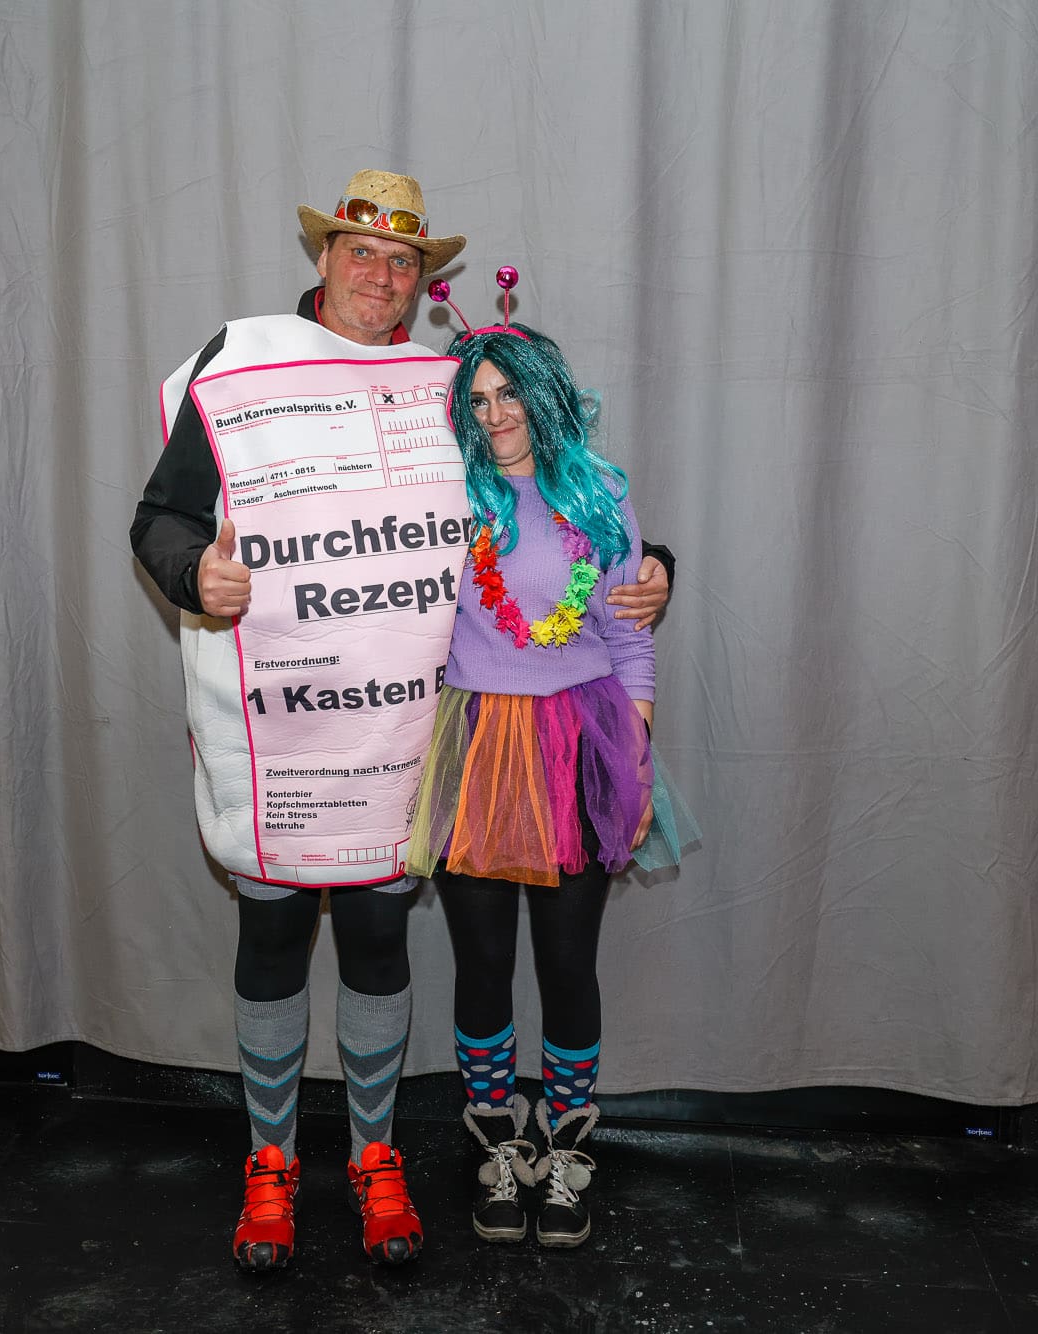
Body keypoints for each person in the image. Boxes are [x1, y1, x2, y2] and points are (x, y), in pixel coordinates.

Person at [131, 171, 674, 1273]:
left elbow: (565, 506)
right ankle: (271, 1163)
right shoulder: (241, 369)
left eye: (403, 262)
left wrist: (655, 562)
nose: (379, 276)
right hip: (287, 735)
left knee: (382, 942)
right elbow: (163, 515)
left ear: (427, 283)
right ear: (323, 257)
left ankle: (376, 1156)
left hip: (407, 749)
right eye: (359, 252)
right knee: (273, 940)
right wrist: (193, 572)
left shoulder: (444, 390)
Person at [406, 317, 695, 1250]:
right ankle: (497, 1139)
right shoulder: (444, 495)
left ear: (544, 393)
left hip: (580, 744)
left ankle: (567, 1144)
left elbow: (629, 638)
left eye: (509, 393)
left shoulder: (599, 494)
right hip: (476, 748)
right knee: (484, 963)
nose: (494, 414)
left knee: (569, 963)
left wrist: (634, 762)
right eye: (476, 400)